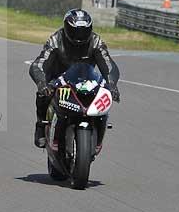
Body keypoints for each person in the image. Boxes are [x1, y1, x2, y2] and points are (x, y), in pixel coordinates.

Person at [28, 9, 120, 152]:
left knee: (104, 94)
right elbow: (39, 64)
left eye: (83, 31)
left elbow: (108, 65)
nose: (79, 36)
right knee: (43, 94)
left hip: (87, 80)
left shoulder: (96, 41)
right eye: (75, 31)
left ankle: (98, 135)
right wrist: (42, 83)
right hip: (59, 80)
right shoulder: (55, 40)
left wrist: (112, 84)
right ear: (66, 28)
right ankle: (41, 125)